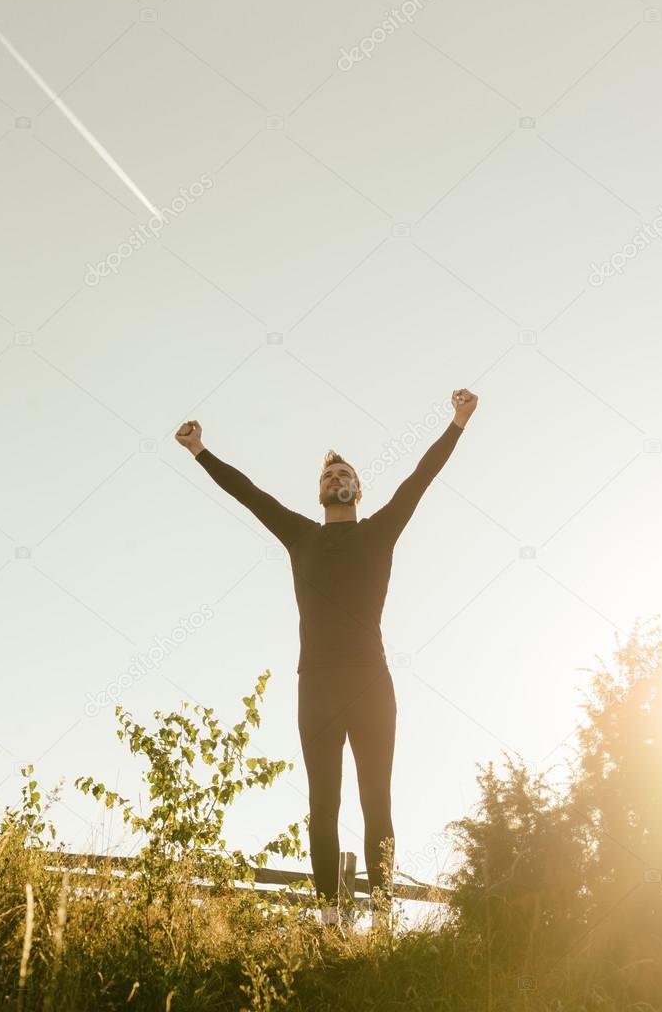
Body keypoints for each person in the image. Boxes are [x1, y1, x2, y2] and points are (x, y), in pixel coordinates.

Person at [175, 388, 478, 932]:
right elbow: (249, 494)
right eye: (326, 477)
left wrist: (457, 423)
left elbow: (420, 479)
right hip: (315, 686)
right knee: (324, 805)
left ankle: (382, 919)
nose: (335, 480)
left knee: (376, 803)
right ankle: (332, 919)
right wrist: (200, 451)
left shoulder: (380, 531)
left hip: (370, 684)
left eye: (344, 475)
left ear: (358, 489)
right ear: (319, 495)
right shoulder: (301, 537)